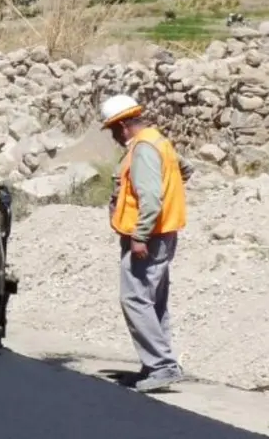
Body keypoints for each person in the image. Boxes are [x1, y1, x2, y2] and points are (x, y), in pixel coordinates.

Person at [101, 94, 194, 393]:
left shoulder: (142, 149)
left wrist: (141, 235)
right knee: (154, 301)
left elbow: (150, 197)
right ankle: (155, 364)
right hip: (163, 233)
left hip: (148, 237)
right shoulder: (159, 141)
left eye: (115, 129)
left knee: (136, 299)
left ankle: (162, 366)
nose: (114, 135)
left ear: (125, 124)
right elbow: (185, 170)